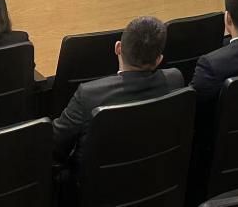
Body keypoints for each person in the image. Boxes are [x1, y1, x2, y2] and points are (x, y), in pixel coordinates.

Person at [53, 16, 183, 168]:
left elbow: (55, 146)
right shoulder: (175, 80)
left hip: (92, 180)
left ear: (118, 48)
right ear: (159, 60)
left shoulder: (88, 95)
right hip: (155, 172)